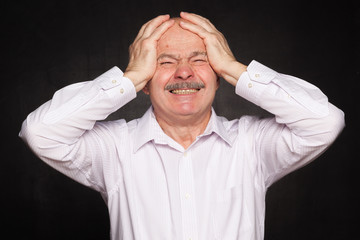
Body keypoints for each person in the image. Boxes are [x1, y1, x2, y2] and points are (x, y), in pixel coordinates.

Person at [20, 12, 345, 240]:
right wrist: (129, 77)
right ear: (146, 81)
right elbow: (41, 132)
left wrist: (235, 68)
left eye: (200, 59)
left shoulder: (252, 144)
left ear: (218, 76)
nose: (184, 73)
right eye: (165, 61)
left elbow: (324, 121)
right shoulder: (115, 149)